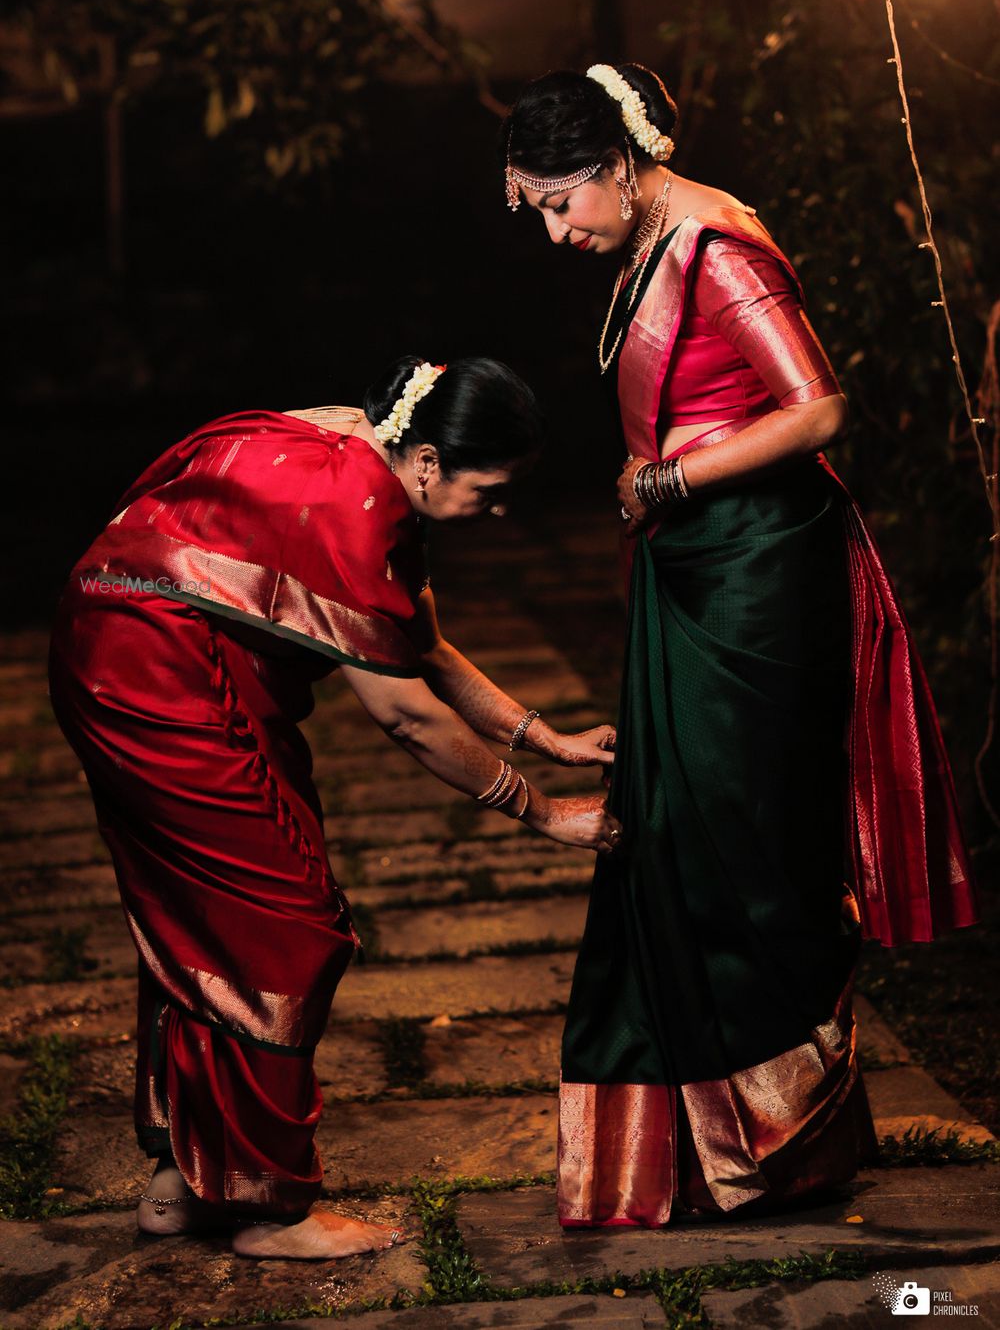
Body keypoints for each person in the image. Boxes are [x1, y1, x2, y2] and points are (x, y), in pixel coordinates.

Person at [501, 63, 978, 1229]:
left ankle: (784, 1135)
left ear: (618, 165)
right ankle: (718, 1145)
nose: (559, 230)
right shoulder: (644, 245)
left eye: (564, 201)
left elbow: (817, 409)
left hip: (760, 577)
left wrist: (666, 476)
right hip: (692, 569)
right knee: (676, 840)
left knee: (749, 843)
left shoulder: (718, 248)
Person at [48, 355, 621, 1259]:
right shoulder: (350, 513)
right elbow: (404, 715)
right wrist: (547, 815)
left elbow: (420, 643)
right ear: (429, 462)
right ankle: (271, 1211)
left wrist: (540, 735)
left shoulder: (364, 444)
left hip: (132, 649)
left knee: (204, 918)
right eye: (493, 489)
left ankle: (188, 1181)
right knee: (283, 928)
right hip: (157, 683)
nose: (502, 509)